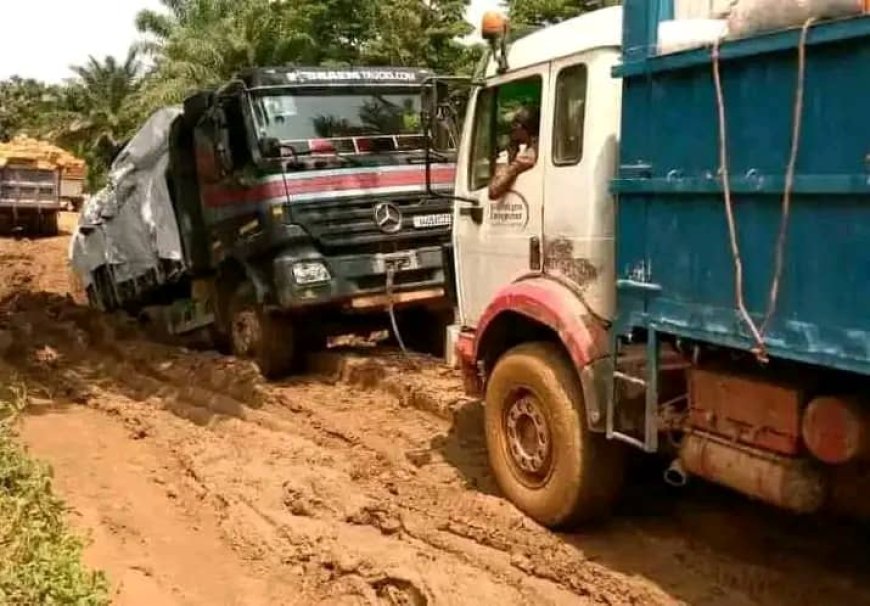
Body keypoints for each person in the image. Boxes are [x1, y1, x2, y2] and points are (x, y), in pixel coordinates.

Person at [488, 106, 540, 200]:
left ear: (522, 128)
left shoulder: (528, 156)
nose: (511, 132)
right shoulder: (538, 147)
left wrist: (512, 155)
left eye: (514, 126)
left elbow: (494, 190)